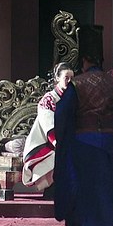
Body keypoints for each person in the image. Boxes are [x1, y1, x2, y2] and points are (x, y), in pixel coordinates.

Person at [53, 28, 113, 226]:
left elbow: (62, 115)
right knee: (106, 189)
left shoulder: (77, 84)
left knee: (86, 192)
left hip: (84, 143)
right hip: (110, 143)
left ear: (83, 59)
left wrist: (64, 142)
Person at [21, 62, 74, 196]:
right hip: (46, 142)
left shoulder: (73, 98)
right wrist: (58, 143)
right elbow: (48, 125)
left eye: (72, 78)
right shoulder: (49, 99)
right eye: (66, 78)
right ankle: (52, 189)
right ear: (57, 78)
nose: (69, 81)